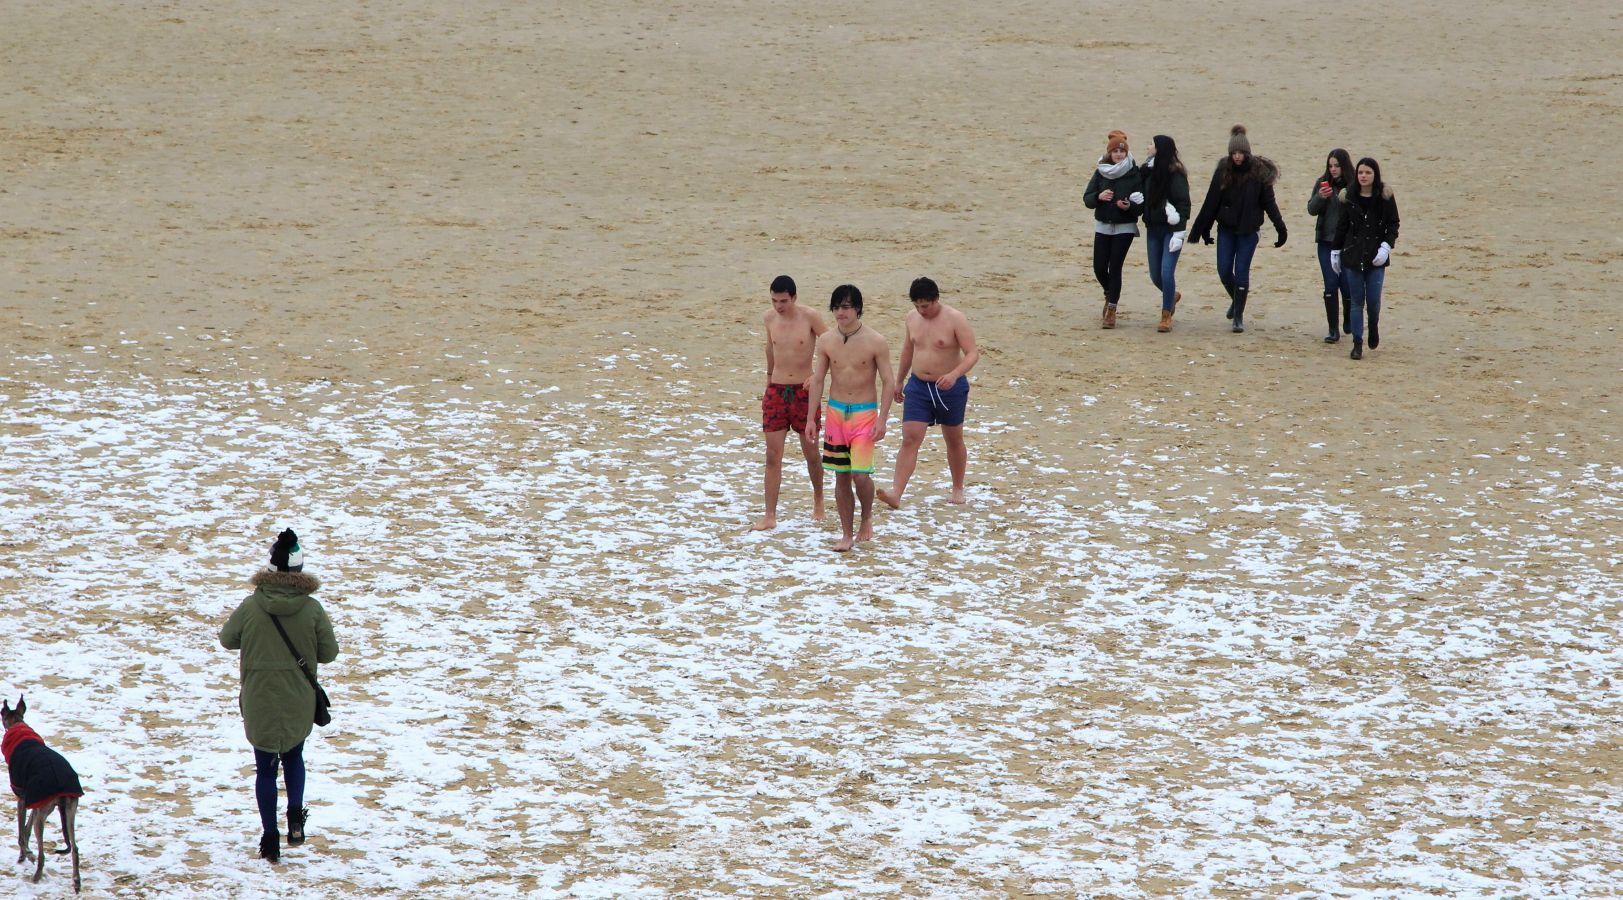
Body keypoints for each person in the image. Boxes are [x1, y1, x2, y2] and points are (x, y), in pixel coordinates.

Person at [220, 529, 339, 863]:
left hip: (259, 696)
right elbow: (329, 653)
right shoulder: (312, 609)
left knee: (265, 768)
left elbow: (228, 639)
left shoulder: (251, 606)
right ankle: (295, 818)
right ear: (299, 570)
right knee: (294, 755)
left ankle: (269, 838)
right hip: (298, 696)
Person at [805, 285, 895, 552]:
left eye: (845, 307)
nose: (840, 313)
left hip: (864, 414)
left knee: (860, 475)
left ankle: (866, 517)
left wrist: (882, 419)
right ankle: (846, 534)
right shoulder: (826, 341)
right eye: (836, 308)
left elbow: (888, 381)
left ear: (857, 309)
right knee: (841, 475)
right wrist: (811, 418)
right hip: (836, 413)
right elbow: (818, 379)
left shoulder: (876, 341)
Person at [879, 277, 980, 509]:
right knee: (910, 438)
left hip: (950, 387)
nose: (921, 311)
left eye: (925, 306)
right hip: (919, 386)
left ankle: (957, 488)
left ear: (936, 299)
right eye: (917, 306)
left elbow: (972, 353)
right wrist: (899, 380)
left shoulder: (955, 318)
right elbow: (908, 349)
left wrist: (954, 375)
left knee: (953, 438)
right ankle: (896, 493)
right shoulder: (912, 318)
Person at [1188, 124, 1287, 333]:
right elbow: (1211, 201)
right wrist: (1203, 229)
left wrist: (1281, 228)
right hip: (1226, 229)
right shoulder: (1223, 171)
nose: (1237, 157)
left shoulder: (1259, 173)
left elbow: (1269, 203)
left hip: (1249, 232)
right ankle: (1237, 299)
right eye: (1234, 153)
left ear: (1247, 152)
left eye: (1241, 153)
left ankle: (1238, 316)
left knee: (1241, 272)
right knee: (1224, 270)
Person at [753, 275, 828, 531]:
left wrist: (817, 376)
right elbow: (770, 348)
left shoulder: (810, 317)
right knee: (772, 455)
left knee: (811, 453)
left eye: (783, 301)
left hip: (804, 392)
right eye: (774, 301)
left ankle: (818, 499)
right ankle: (770, 515)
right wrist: (768, 378)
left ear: (794, 298)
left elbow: (831, 346)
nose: (778, 306)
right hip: (777, 390)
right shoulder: (769, 318)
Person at [1331, 157, 1400, 360]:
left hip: (1376, 256)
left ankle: (1373, 325)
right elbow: (1342, 225)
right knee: (1356, 301)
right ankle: (1357, 343)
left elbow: (1393, 224)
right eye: (1360, 172)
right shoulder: (1349, 196)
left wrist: (1386, 246)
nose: (1363, 176)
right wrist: (1335, 251)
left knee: (1373, 301)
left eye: (1368, 172)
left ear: (1375, 174)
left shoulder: (1385, 197)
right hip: (1353, 255)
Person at [1082, 129, 1144, 329]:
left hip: (1125, 227)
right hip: (1103, 225)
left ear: (1127, 152)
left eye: (1122, 151)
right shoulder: (1101, 171)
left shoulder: (1134, 173)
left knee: (1115, 267)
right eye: (1115, 151)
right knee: (1099, 267)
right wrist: (1098, 197)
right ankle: (1109, 293)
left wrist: (1129, 206)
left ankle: (1111, 310)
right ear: (1109, 152)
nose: (1119, 154)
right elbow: (1087, 199)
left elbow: (1141, 204)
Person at [1139, 134, 1192, 333]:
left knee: (1166, 271)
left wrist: (1179, 232)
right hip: (1153, 229)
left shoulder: (1175, 174)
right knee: (1155, 275)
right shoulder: (1146, 170)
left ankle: (1166, 314)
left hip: (1172, 230)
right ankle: (1171, 296)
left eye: (1151, 144)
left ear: (1159, 149)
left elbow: (1184, 204)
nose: (1148, 147)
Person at [1309, 148, 1356, 342]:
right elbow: (1311, 209)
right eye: (1330, 166)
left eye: (1337, 165)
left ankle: (1348, 319)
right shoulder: (1322, 183)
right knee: (1330, 284)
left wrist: (1348, 199)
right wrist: (1320, 197)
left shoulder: (1354, 185)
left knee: (1346, 284)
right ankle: (1333, 329)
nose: (1333, 169)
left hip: (1346, 243)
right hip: (1325, 242)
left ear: (1344, 166)